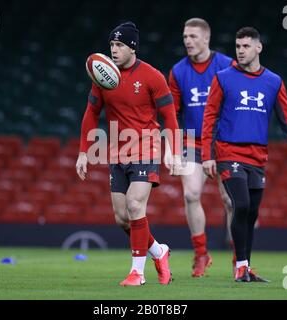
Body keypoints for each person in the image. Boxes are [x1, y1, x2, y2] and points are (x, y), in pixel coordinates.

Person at [201, 27, 287, 282]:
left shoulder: (273, 81)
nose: (240, 51)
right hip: (229, 152)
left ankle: (246, 267)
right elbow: (209, 118)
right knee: (241, 204)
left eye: (246, 46)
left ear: (258, 48)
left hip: (258, 157)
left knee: (251, 214)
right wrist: (208, 155)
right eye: (238, 46)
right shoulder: (223, 78)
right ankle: (240, 266)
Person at [76, 21, 182, 286]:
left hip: (146, 147)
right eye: (112, 44)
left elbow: (169, 115)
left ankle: (137, 273)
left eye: (119, 45)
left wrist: (174, 150)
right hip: (117, 151)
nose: (114, 49)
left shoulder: (152, 76)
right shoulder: (103, 78)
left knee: (136, 205)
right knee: (123, 218)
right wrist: (82, 153)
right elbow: (91, 114)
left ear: (132, 48)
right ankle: (159, 251)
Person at [167, 17, 235, 277]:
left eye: (193, 36)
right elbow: (171, 113)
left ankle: (239, 258)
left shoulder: (227, 66)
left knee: (231, 200)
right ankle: (201, 254)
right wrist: (170, 148)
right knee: (190, 194)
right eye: (185, 37)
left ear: (206, 38)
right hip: (192, 140)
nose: (188, 41)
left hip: (223, 141)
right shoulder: (178, 71)